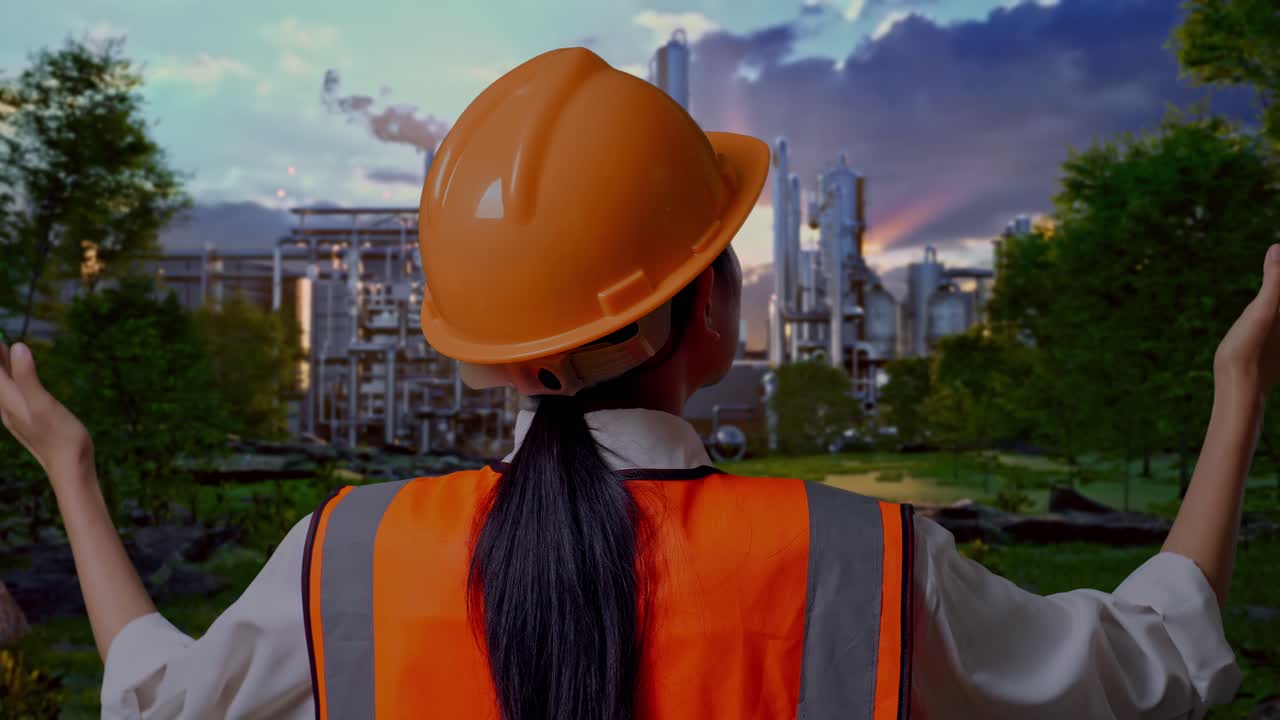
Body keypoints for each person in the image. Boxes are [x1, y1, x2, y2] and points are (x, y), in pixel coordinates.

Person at [0, 46, 1266, 720]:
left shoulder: (345, 557)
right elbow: (1150, 670)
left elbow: (157, 701)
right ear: (710, 314)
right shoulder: (859, 560)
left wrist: (71, 464)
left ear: (483, 347)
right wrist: (1234, 394)